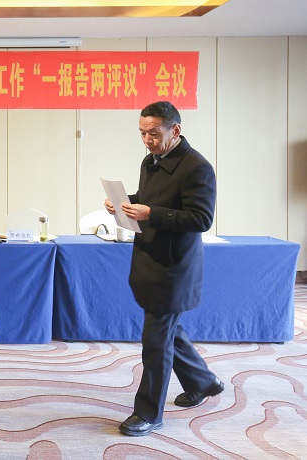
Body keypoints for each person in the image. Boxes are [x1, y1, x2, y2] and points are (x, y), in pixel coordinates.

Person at [105, 101, 223, 437]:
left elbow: (201, 218)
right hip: (150, 259)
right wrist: (125, 202)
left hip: (174, 267)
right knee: (168, 330)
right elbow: (151, 197)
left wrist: (150, 214)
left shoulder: (197, 167)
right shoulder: (150, 161)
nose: (147, 140)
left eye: (154, 133)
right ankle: (203, 381)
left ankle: (149, 413)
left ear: (175, 130)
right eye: (142, 133)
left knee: (156, 341)